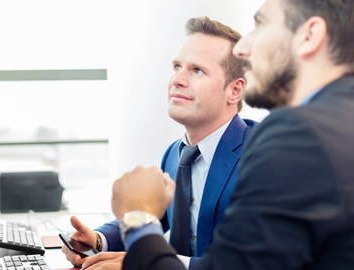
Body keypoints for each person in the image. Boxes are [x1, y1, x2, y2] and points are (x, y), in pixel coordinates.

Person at [111, 0, 354, 269]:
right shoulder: (338, 124)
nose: (242, 48)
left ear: (309, 36)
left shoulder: (297, 135)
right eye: (177, 67)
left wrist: (137, 219)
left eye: (261, 24)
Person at [61, 17, 257, 269]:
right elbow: (156, 214)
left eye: (197, 70)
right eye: (177, 67)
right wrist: (98, 240)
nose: (177, 79)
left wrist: (145, 263)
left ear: (234, 91)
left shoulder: (262, 155)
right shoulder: (176, 155)